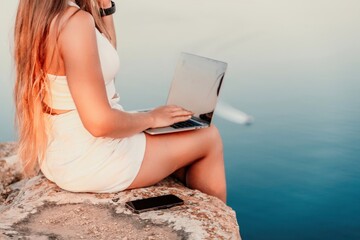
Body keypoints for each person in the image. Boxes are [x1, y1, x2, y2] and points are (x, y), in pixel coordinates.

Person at [13, 0, 227, 203]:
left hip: (61, 152)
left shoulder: (43, 14)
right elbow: (100, 123)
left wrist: (105, 8)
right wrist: (151, 117)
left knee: (175, 132)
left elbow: (102, 59)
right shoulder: (75, 23)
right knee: (208, 136)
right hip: (91, 159)